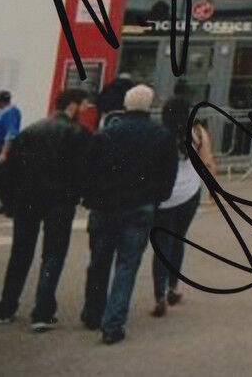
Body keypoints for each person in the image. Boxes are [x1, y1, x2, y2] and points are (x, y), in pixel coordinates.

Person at [80, 84, 177, 345]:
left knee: (99, 261)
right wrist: (157, 198)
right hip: (139, 207)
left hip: (104, 206)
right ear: (150, 106)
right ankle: (112, 323)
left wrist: (89, 199)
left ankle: (93, 313)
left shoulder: (105, 134)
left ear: (125, 105)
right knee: (127, 265)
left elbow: (87, 170)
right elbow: (168, 175)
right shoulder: (161, 136)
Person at [0, 89, 91, 330]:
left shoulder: (31, 130)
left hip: (27, 200)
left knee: (20, 253)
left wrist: (9, 202)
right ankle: (42, 311)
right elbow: (86, 170)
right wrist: (81, 195)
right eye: (82, 105)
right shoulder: (79, 134)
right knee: (53, 255)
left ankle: (6, 306)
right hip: (60, 201)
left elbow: (9, 168)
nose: (85, 110)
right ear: (72, 106)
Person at [150, 96, 217, 317]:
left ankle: (159, 294)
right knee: (179, 240)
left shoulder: (158, 133)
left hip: (162, 195)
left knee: (162, 245)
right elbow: (207, 162)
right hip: (189, 193)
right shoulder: (197, 132)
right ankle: (173, 287)